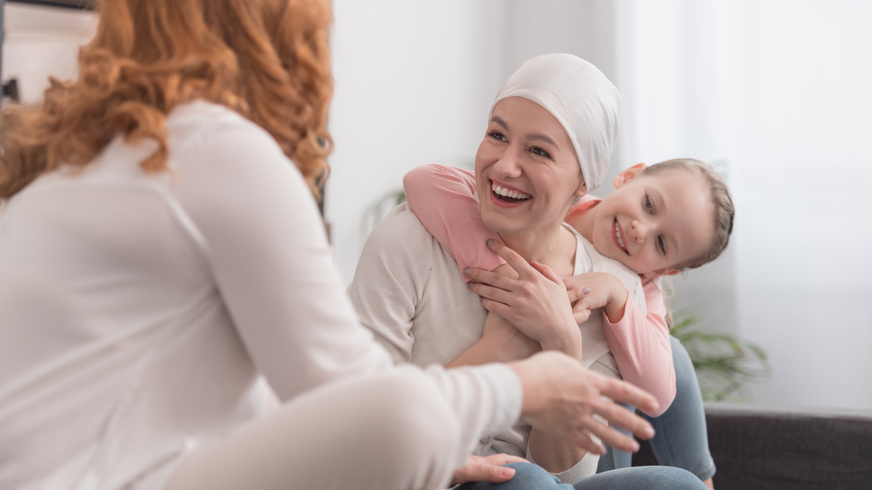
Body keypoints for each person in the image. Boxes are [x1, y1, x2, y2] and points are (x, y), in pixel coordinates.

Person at [0, 1, 690, 489]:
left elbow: (304, 400)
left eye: (539, 150)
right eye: (498, 134)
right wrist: (524, 379)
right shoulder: (215, 149)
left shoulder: (102, 153)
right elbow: (362, 404)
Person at [347, 54, 711, 487]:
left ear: (583, 184)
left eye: (538, 150)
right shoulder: (408, 239)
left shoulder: (608, 290)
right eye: (497, 135)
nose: (504, 166)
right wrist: (498, 352)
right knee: (525, 481)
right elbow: (360, 428)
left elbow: (567, 475)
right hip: (415, 473)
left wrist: (561, 343)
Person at [403, 157, 733, 487]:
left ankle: (705, 481)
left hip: (581, 453)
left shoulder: (638, 283)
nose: (640, 230)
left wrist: (616, 295)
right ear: (629, 175)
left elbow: (659, 396)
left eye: (661, 243)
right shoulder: (553, 201)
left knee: (669, 355)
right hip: (524, 452)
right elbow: (423, 178)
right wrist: (500, 270)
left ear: (664, 271)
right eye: (648, 204)